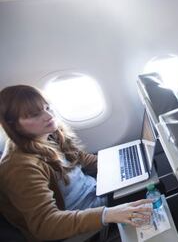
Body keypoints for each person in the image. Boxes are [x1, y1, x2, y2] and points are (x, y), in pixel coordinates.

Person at [0, 85, 153, 241]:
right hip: (83, 222)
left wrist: (118, 162)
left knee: (151, 175)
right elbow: (45, 225)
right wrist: (108, 214)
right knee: (154, 196)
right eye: (34, 115)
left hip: (97, 194)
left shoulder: (47, 135)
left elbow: (80, 159)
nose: (48, 116)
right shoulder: (20, 167)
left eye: (47, 107)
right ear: (13, 124)